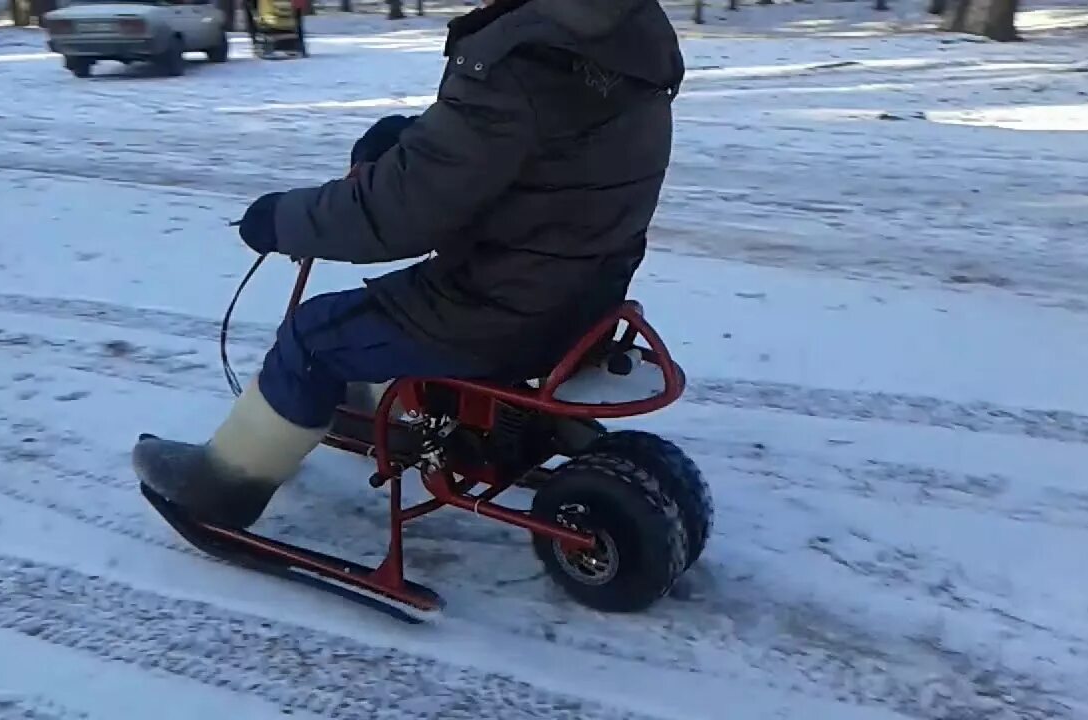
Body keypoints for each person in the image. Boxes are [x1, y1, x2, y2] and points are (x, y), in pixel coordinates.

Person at [132, 0, 685, 530]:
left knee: (313, 334)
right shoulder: (628, 35)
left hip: (498, 311)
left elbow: (397, 215)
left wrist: (283, 219)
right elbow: (538, 154)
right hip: (582, 299)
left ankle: (223, 486)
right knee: (366, 330)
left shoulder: (518, 57)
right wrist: (412, 143)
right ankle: (382, 401)